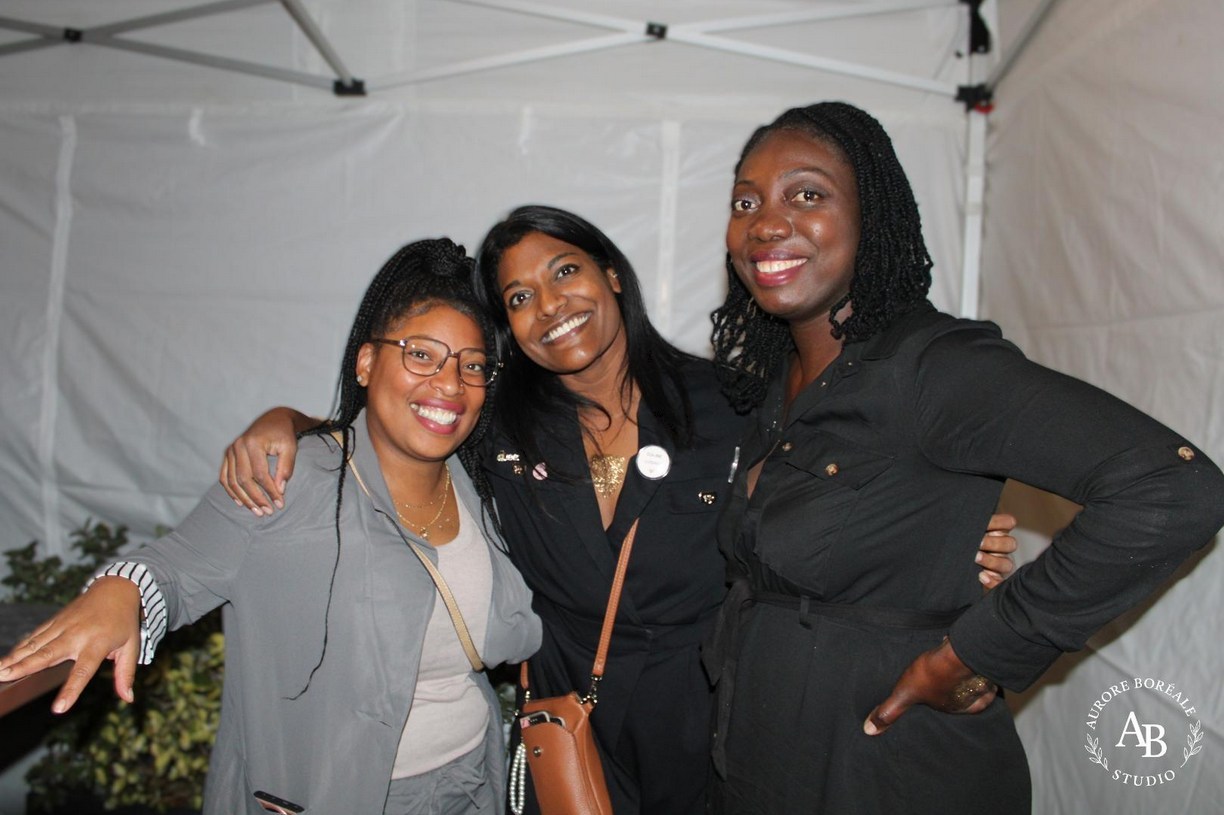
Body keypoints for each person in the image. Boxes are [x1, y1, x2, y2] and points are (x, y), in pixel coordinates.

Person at [216, 207, 1019, 814]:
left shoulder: (735, 402)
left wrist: (949, 542)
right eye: (519, 296)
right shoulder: (497, 427)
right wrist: (287, 423)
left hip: (712, 736)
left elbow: (838, 509)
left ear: (612, 275)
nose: (549, 304)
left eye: (565, 272)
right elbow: (401, 424)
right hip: (573, 738)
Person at [702, 101, 1224, 814]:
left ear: (872, 216)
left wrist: (978, 653)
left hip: (885, 772)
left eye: (807, 194)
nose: (766, 222)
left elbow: (1173, 486)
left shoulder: (935, 367)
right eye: (746, 201)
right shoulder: (772, 385)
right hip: (762, 763)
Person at [0, 239, 542, 815]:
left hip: (470, 782)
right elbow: (175, 569)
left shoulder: (478, 482)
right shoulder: (293, 477)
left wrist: (284, 415)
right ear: (366, 362)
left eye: (471, 365)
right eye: (421, 354)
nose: (450, 383)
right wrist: (119, 591)